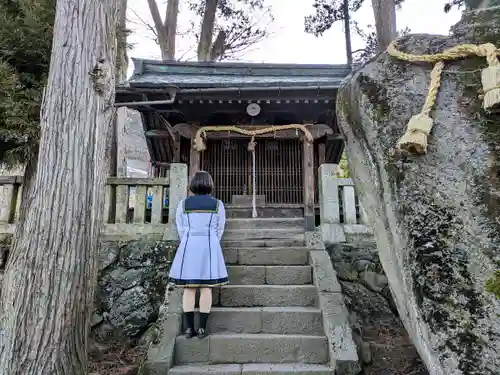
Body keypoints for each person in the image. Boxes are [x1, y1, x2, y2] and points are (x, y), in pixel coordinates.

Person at [168, 170, 227, 339]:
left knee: (189, 287)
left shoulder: (184, 204)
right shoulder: (217, 204)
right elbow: (219, 228)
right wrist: (212, 240)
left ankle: (188, 329)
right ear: (210, 184)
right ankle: (201, 328)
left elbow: (180, 226)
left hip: (189, 245)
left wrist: (188, 238)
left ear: (192, 185)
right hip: (209, 245)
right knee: (206, 287)